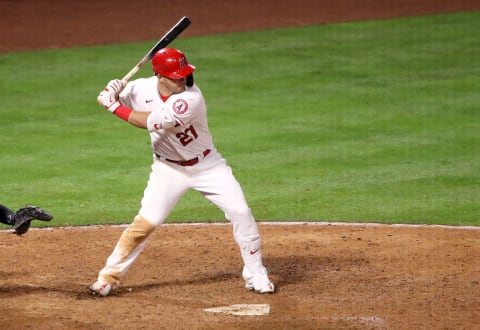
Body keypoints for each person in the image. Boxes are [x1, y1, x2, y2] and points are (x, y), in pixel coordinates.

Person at [90, 48, 275, 296]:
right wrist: (112, 91)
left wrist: (112, 107)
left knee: (241, 211)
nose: (182, 80)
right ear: (160, 76)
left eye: (184, 74)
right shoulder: (140, 88)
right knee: (146, 223)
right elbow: (117, 97)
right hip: (167, 169)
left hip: (208, 167)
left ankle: (256, 274)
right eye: (176, 76)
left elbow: (152, 121)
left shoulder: (191, 98)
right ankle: (108, 277)